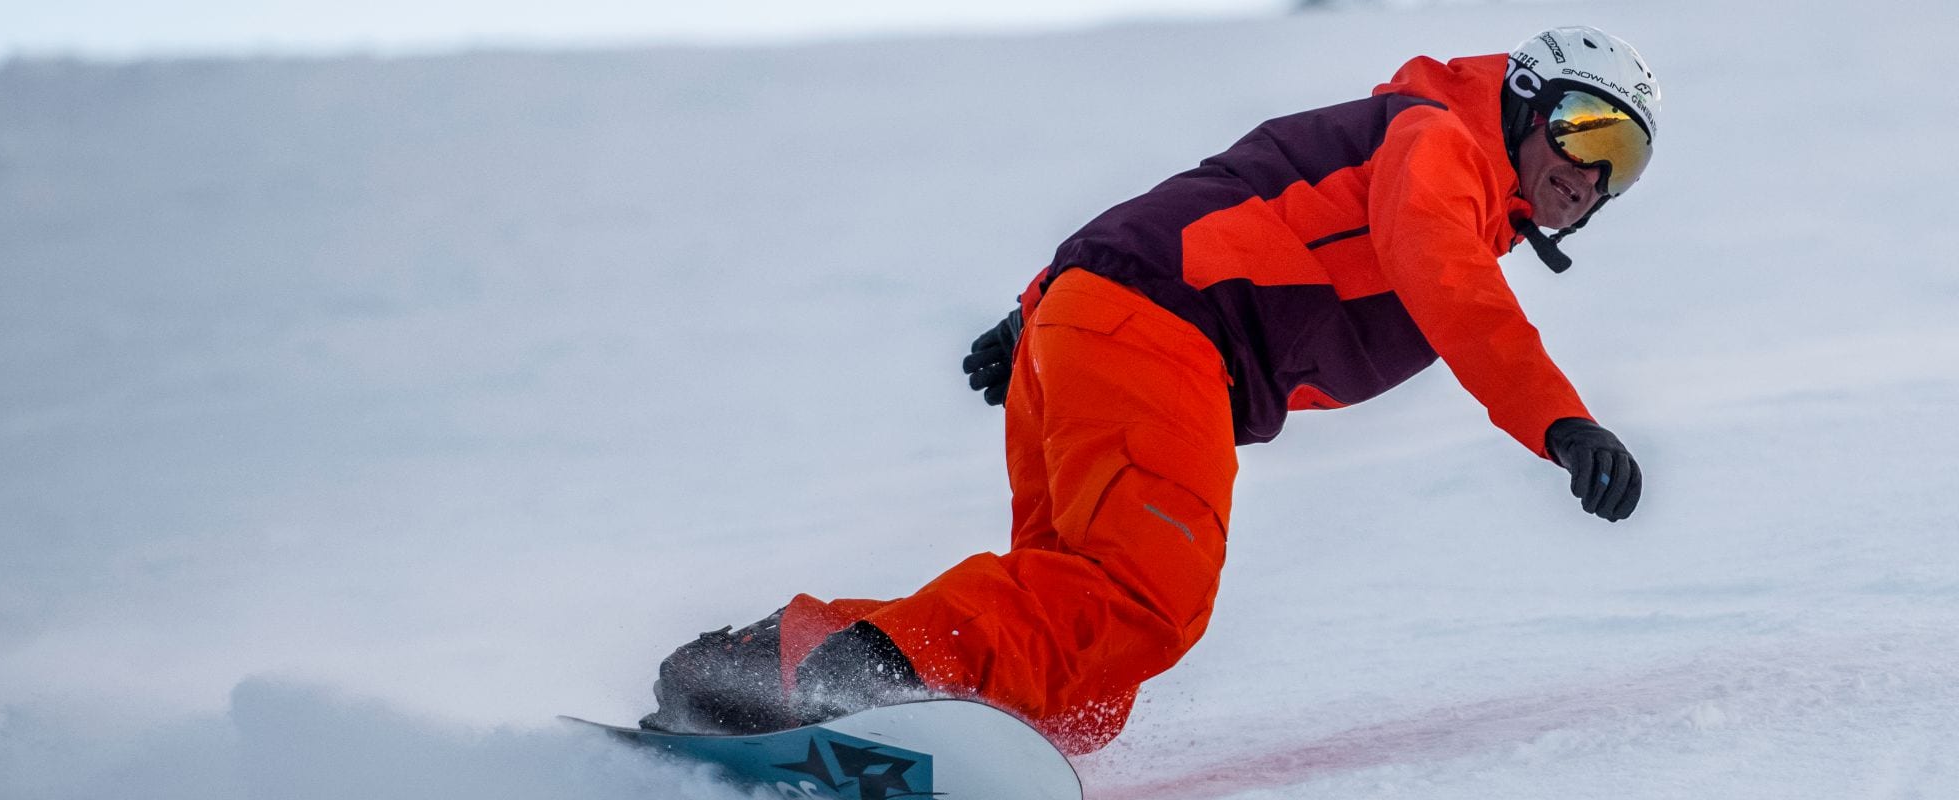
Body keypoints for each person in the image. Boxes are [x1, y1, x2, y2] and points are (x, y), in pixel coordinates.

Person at [638, 25, 1659, 755]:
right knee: (1142, 593)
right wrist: (1560, 423)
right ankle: (865, 679)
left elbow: (1212, 196)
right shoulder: (1437, 146)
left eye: (1620, 163)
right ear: (1525, 99)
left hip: (1103, 331)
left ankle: (764, 667)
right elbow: (1449, 286)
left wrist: (1038, 307)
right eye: (1582, 131)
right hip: (1153, 339)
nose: (1589, 176)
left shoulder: (1439, 173)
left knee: (1083, 683)